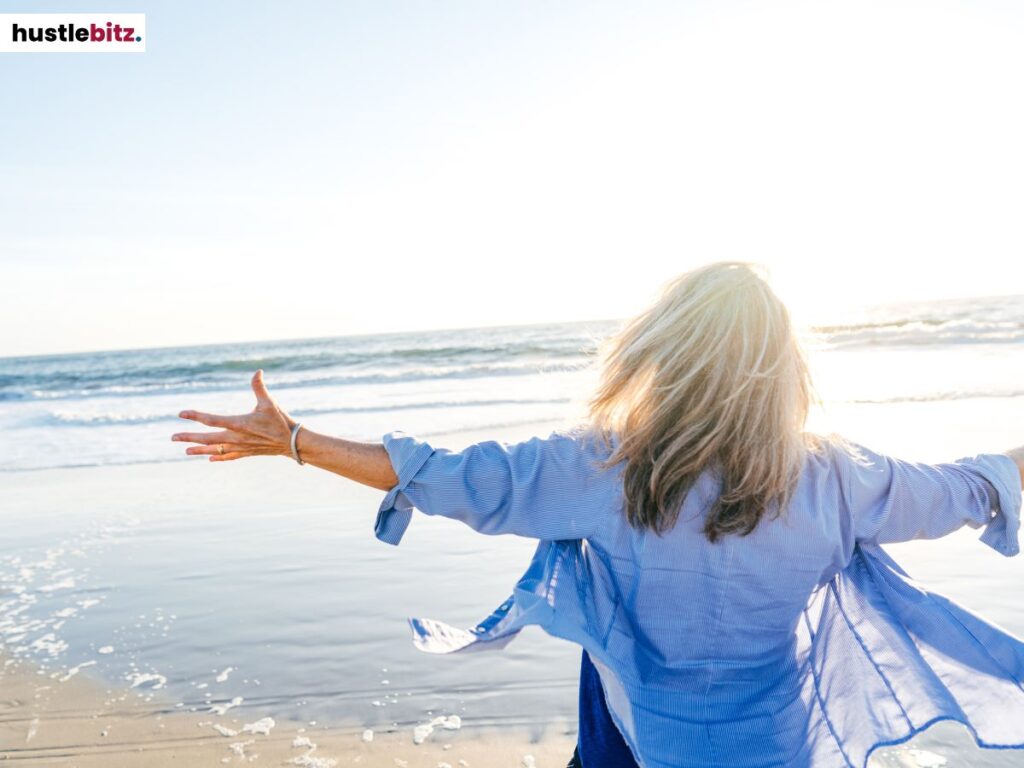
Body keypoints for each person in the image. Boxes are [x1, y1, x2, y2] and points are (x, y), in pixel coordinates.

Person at [171, 262, 1024, 768]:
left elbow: (456, 479)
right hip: (776, 745)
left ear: (666, 352)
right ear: (786, 363)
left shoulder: (605, 468)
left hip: (653, 743)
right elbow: (971, 487)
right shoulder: (840, 479)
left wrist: (297, 442)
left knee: (589, 610)